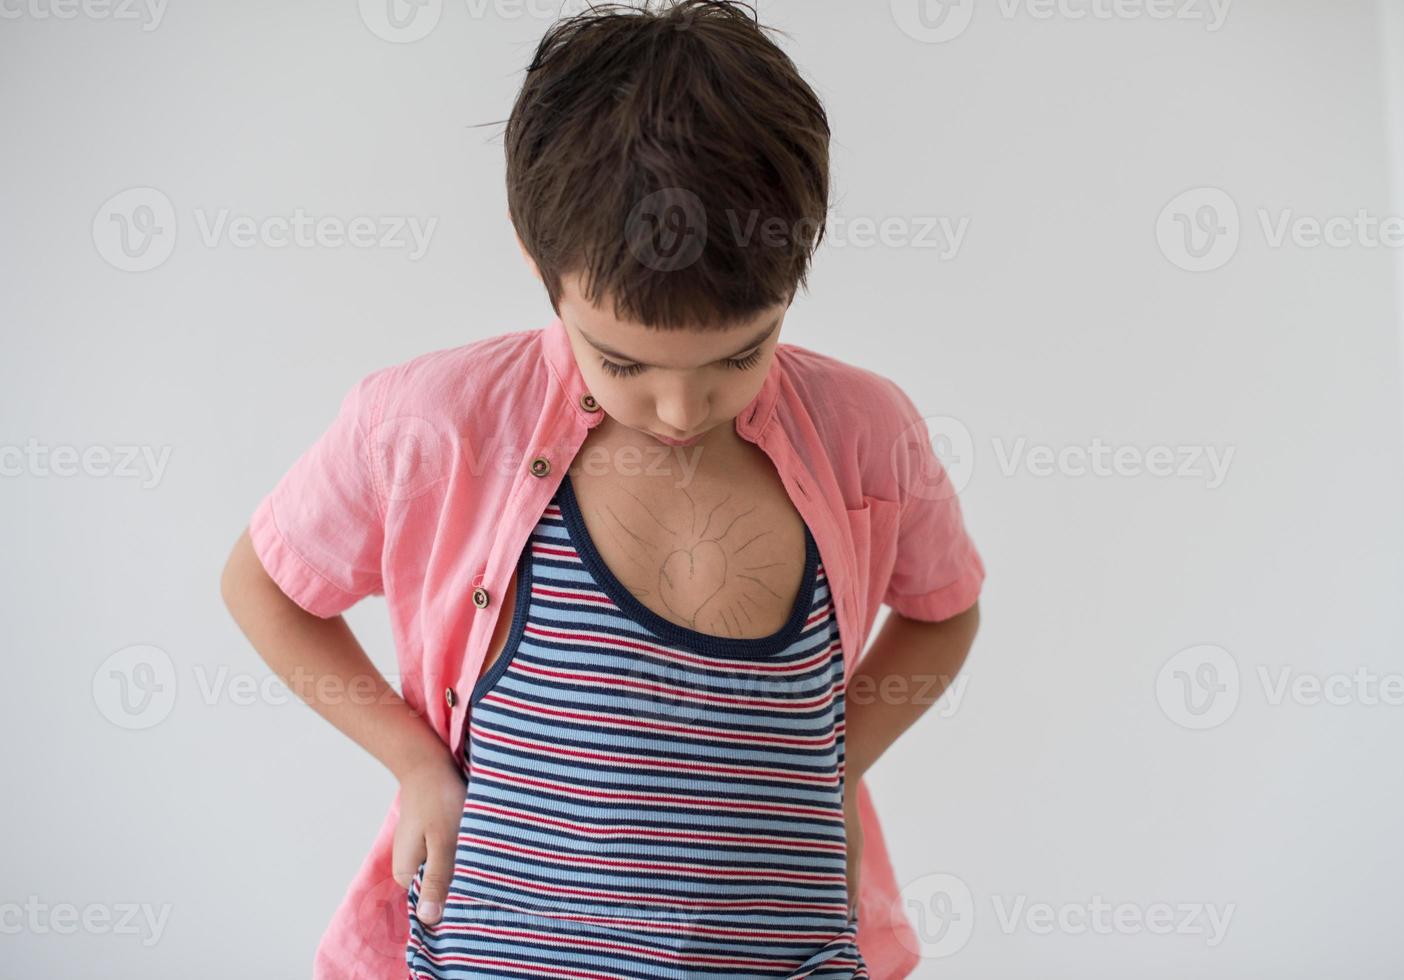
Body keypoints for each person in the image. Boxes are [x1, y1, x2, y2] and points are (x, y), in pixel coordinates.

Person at [220, 2, 984, 977]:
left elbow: (941, 609)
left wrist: (833, 767)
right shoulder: (428, 422)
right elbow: (264, 586)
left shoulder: (866, 428)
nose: (678, 405)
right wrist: (415, 763)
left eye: (740, 354)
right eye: (621, 361)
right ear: (536, 253)